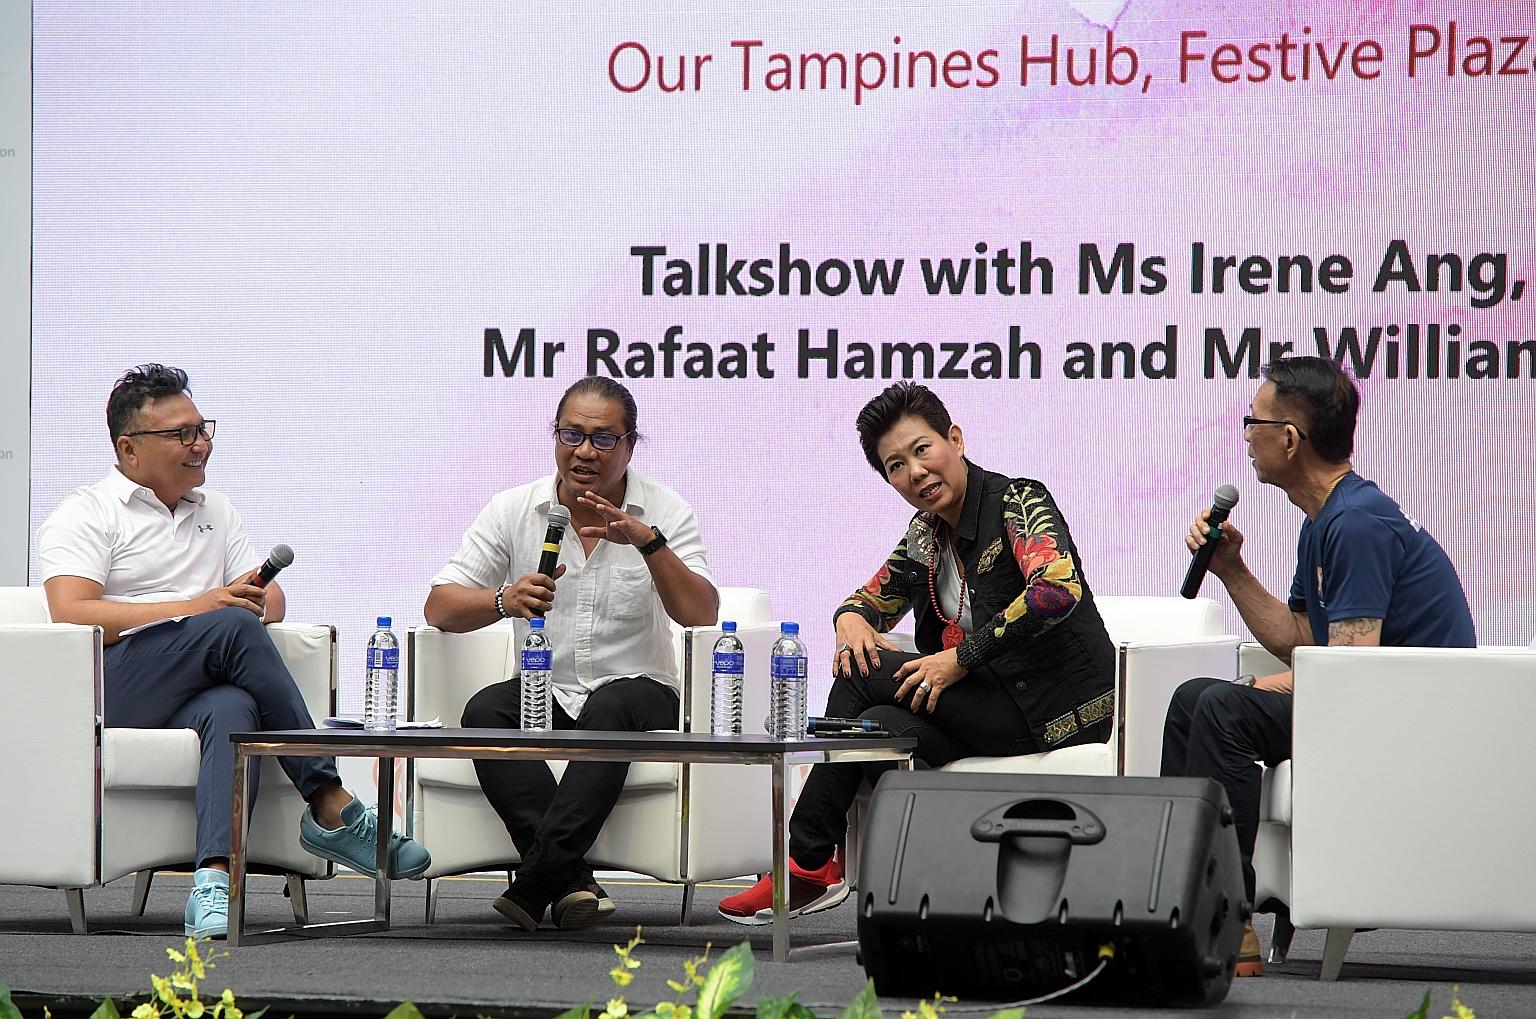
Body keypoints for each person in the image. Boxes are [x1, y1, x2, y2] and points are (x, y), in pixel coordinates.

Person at [36, 364, 430, 940]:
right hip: (111, 690)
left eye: (202, 429)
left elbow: (270, 600)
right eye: (181, 434)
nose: (200, 445)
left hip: (193, 687)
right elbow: (71, 613)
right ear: (129, 447)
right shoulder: (88, 512)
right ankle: (327, 799)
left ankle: (213, 882)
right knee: (227, 626)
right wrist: (203, 607)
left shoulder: (215, 509)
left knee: (231, 710)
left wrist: (249, 597)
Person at [720, 381, 1116, 924]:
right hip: (989, 709)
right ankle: (936, 885)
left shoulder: (1018, 499)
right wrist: (850, 620)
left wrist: (960, 658)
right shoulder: (926, 534)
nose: (915, 472)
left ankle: (808, 860)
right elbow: (871, 598)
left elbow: (1055, 591)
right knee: (877, 722)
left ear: (954, 438)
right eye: (895, 466)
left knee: (863, 679)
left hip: (1054, 709)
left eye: (922, 450)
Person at [1160, 355, 1475, 976]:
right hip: (1378, 700)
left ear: (1289, 438)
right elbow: (1304, 639)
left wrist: (1258, 691)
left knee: (1223, 707)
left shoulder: (1356, 522)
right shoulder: (1324, 519)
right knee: (1192, 698)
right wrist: (1231, 570)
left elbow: (1348, 677)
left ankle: (1229, 920)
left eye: (1254, 420)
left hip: (1416, 720)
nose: (1246, 434)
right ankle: (1178, 897)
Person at [424, 376, 718, 932]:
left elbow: (700, 613)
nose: (584, 451)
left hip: (641, 692)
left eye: (604, 439)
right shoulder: (514, 509)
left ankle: (534, 883)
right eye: (572, 434)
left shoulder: (665, 510)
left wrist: (648, 544)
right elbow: (439, 606)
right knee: (487, 711)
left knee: (610, 706)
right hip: (548, 688)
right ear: (554, 437)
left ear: (630, 446)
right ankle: (572, 881)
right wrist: (502, 599)